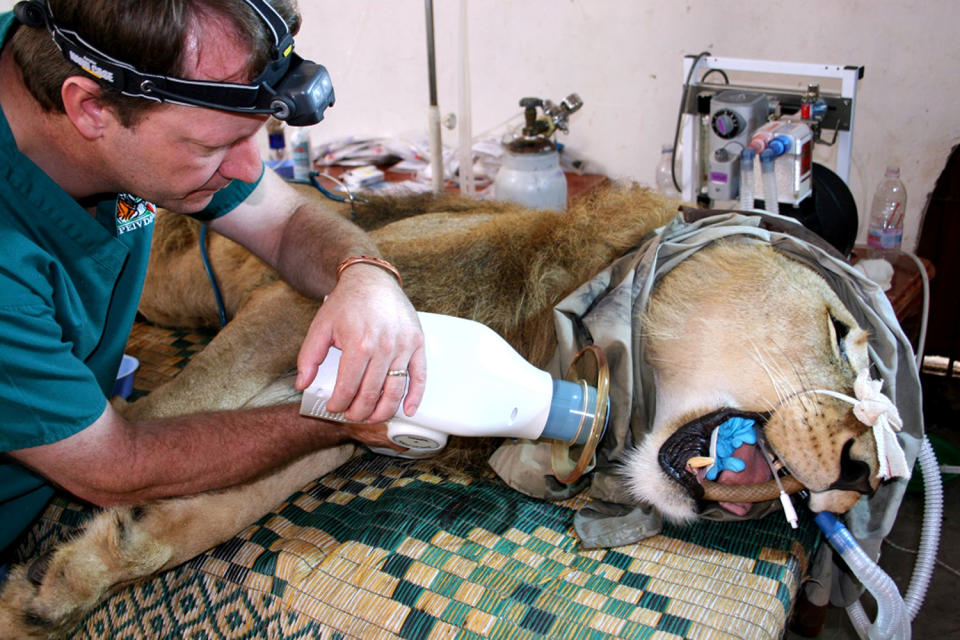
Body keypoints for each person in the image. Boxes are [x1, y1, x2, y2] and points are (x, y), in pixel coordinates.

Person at [0, 0, 426, 555]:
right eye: (213, 146)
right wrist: (337, 422)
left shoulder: (95, 62)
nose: (250, 170)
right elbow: (112, 466)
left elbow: (285, 221)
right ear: (89, 109)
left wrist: (364, 275)